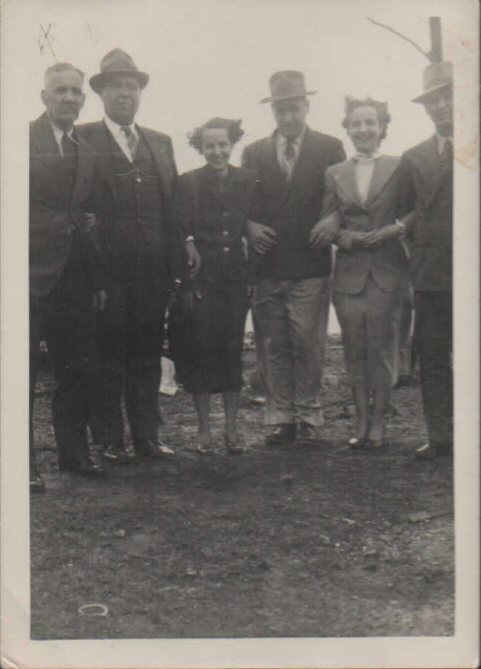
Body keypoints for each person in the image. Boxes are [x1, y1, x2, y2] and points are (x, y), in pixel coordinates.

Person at [79, 49, 180, 462]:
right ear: (101, 94)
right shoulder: (83, 138)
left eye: (132, 86)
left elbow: (172, 209)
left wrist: (175, 267)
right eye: (116, 86)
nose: (125, 93)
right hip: (107, 273)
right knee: (107, 356)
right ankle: (109, 440)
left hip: (153, 273)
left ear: (140, 93)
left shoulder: (160, 142)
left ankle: (147, 437)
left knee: (147, 354)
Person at [242, 70, 345, 447]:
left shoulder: (330, 146)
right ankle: (281, 417)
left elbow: (345, 196)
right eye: (280, 110)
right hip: (267, 264)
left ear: (306, 105)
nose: (287, 117)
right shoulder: (253, 152)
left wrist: (335, 219)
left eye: (293, 108)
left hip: (310, 263)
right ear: (273, 111)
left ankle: (309, 414)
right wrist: (249, 226)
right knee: (274, 344)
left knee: (308, 342)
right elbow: (240, 203)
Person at [30, 63, 108, 490]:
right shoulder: (19, 140)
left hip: (74, 276)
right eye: (60, 91)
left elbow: (87, 215)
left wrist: (95, 281)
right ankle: (20, 463)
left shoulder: (88, 151)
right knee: (20, 371)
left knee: (78, 365)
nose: (69, 98)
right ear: (44, 96)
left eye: (75, 92)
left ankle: (74, 452)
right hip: (26, 274)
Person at [315, 97, 410, 448]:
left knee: (382, 348)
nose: (363, 129)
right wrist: (347, 238)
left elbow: (414, 211)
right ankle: (361, 422)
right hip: (350, 275)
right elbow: (328, 222)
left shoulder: (399, 166)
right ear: (348, 129)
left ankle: (380, 422)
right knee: (354, 349)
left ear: (382, 127)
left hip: (387, 271)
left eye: (370, 122)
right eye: (356, 123)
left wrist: (394, 230)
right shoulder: (335, 172)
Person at [174, 118, 258, 454]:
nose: (217, 151)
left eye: (223, 144)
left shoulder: (247, 179)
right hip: (202, 279)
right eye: (210, 145)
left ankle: (232, 429)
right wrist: (189, 244)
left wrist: (251, 276)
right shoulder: (189, 182)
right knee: (202, 353)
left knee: (231, 352)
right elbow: (179, 225)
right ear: (200, 148)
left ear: (232, 144)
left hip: (235, 279)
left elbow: (252, 226)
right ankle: (204, 430)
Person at [398, 62, 453, 459]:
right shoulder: (414, 157)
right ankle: (440, 437)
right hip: (431, 278)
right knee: (432, 357)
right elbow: (405, 217)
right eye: (433, 101)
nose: (441, 107)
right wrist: (417, 261)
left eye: (448, 97)